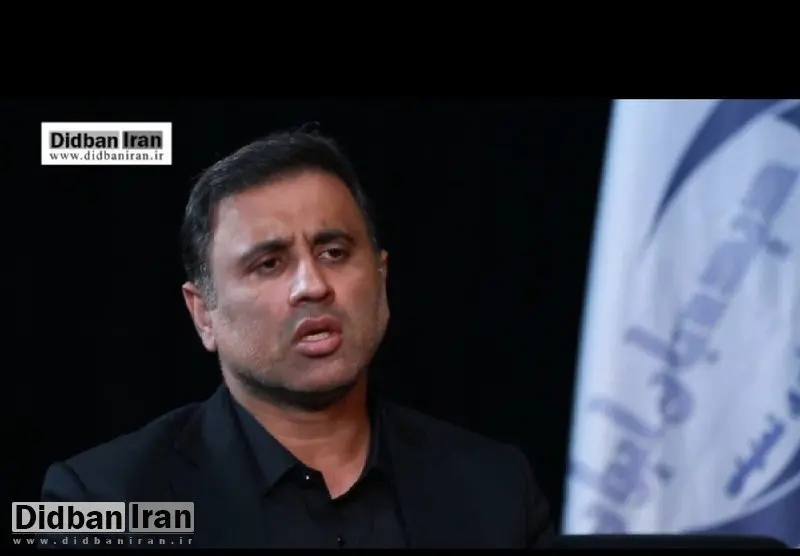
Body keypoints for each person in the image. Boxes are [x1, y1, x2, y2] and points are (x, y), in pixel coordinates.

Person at [40, 128, 556, 548]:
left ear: (381, 277)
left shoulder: (497, 487)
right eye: (269, 263)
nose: (312, 285)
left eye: (334, 252)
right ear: (203, 314)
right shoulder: (101, 501)